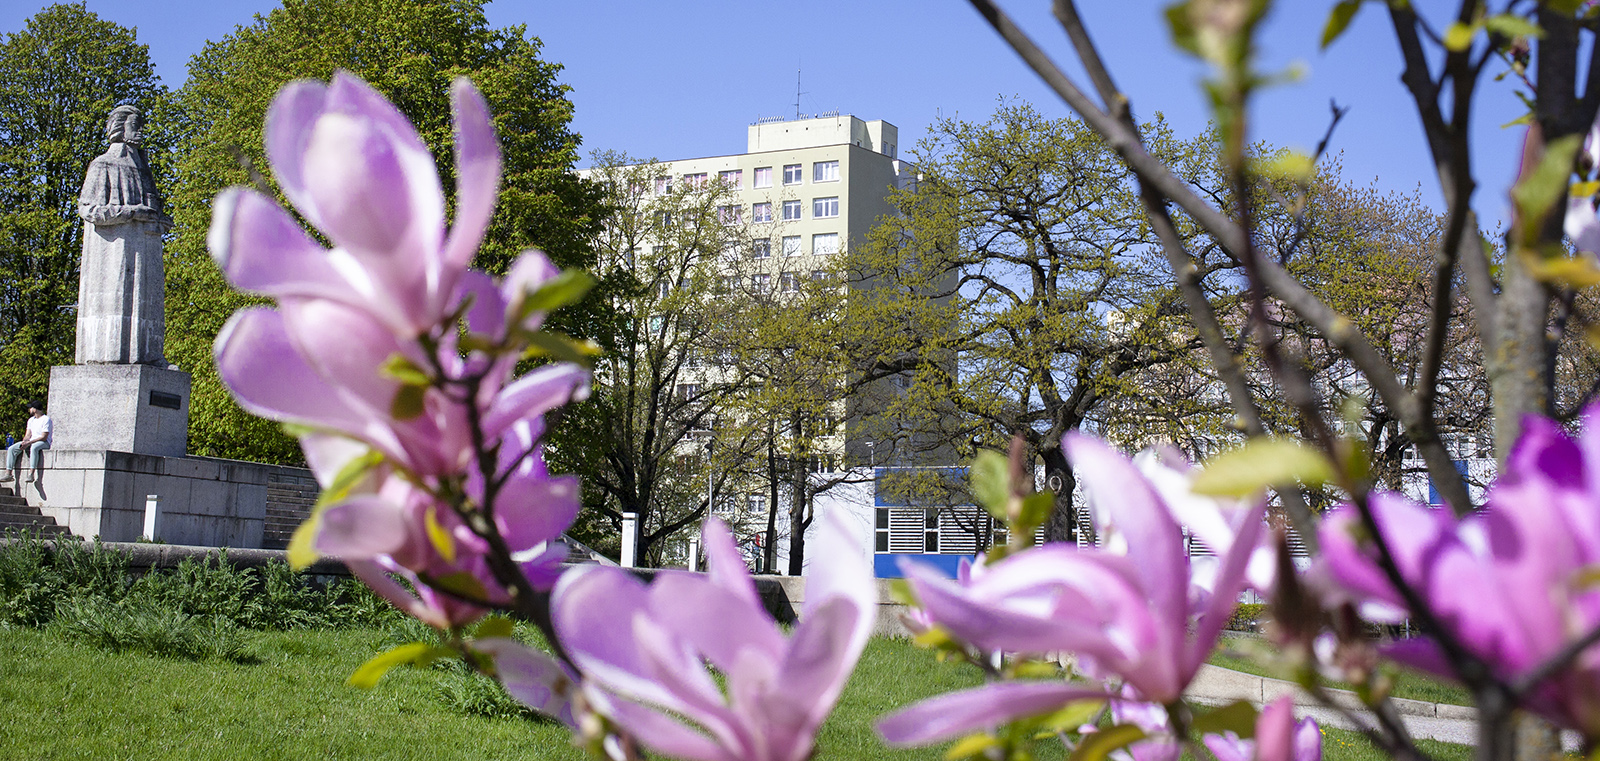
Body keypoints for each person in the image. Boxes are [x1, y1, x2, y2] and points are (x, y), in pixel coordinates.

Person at [3, 401, 52, 485]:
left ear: (35, 409)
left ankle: (31, 474)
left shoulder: (46, 419)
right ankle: (8, 474)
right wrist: (24, 442)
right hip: (31, 441)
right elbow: (28, 434)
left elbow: (44, 437)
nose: (29, 409)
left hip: (43, 442)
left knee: (34, 448)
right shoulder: (31, 420)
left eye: (31, 408)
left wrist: (30, 442)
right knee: (12, 449)